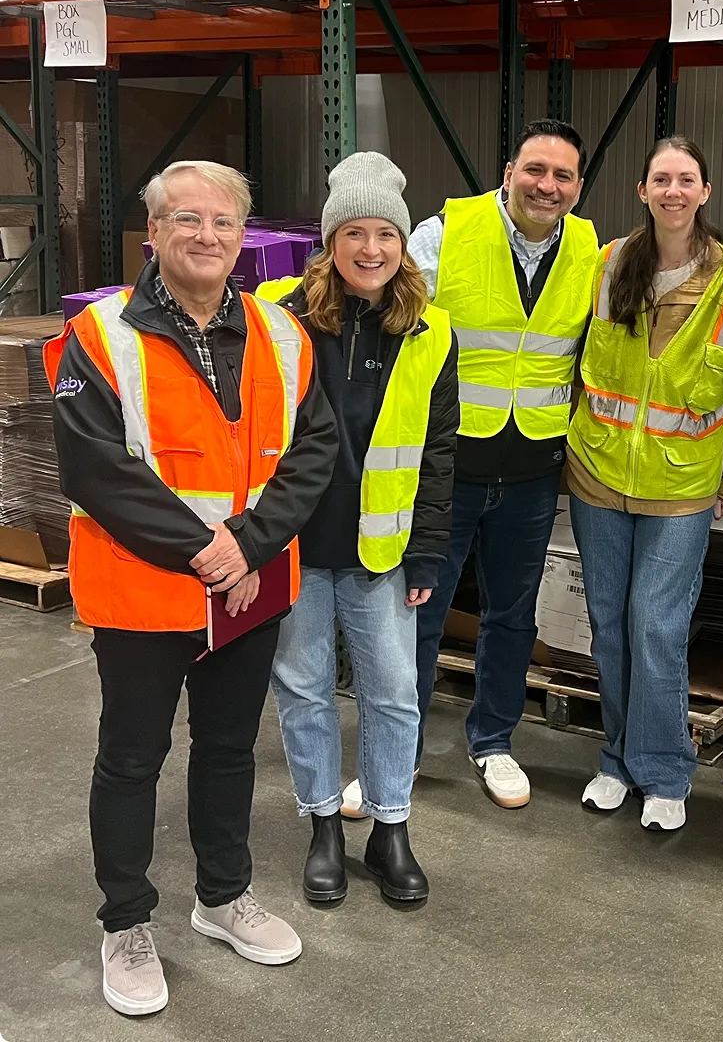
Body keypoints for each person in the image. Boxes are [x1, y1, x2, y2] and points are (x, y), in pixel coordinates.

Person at [46, 161, 338, 1018]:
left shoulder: (284, 336)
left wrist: (245, 545)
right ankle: (126, 924)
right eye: (186, 219)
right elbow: (95, 468)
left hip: (249, 590)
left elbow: (314, 450)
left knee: (228, 751)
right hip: (145, 592)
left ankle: (222, 897)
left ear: (242, 237)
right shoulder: (101, 336)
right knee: (133, 760)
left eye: (221, 221)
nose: (205, 235)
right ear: (154, 236)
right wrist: (207, 550)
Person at [257, 153, 458, 907]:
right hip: (296, 543)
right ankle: (322, 826)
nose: (370, 249)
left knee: (394, 692)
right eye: (355, 233)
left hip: (384, 548)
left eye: (386, 235)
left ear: (403, 244)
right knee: (304, 688)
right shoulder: (277, 316)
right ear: (330, 239)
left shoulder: (430, 332)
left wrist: (431, 550)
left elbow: (439, 453)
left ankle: (389, 826)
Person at [393, 119, 599, 810]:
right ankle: (399, 748)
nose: (547, 185)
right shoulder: (444, 234)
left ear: (577, 187)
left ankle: (493, 741)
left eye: (563, 175)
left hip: (534, 468)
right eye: (535, 170)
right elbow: (394, 326)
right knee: (419, 612)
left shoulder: (590, 252)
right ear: (509, 171)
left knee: (513, 615)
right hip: (446, 465)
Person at [566, 137, 723, 831]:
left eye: (686, 180)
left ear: (705, 192)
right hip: (598, 475)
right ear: (642, 191)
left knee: (657, 626)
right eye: (660, 179)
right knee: (610, 626)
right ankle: (616, 759)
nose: (673, 191)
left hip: (682, 486)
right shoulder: (611, 264)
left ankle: (666, 772)